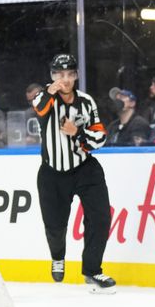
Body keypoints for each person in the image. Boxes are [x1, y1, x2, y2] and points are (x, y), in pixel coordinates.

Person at [31, 54, 116, 293]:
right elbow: (39, 108)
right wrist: (51, 90)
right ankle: (58, 256)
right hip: (52, 172)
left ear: (76, 75)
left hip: (85, 169)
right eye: (59, 74)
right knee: (55, 226)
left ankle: (92, 271)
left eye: (69, 74)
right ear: (52, 76)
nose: (65, 79)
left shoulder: (86, 102)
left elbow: (99, 138)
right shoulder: (44, 97)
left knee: (100, 218)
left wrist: (77, 132)